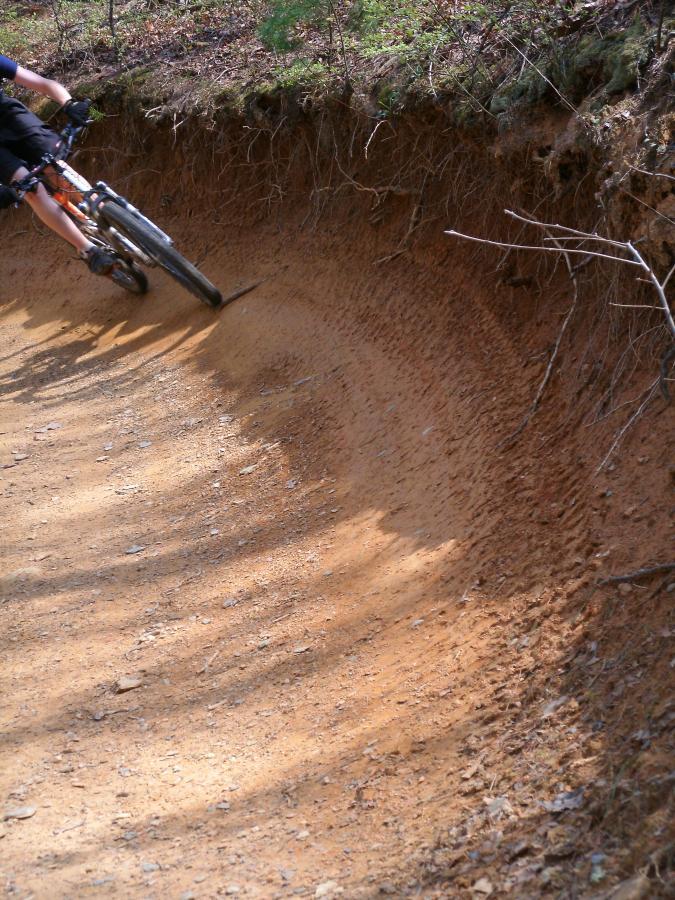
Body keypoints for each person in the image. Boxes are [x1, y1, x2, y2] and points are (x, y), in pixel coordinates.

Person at [0, 54, 115, 274]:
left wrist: (68, 103)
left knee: (54, 162)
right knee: (30, 187)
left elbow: (42, 83)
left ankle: (107, 214)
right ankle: (87, 250)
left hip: (7, 116)